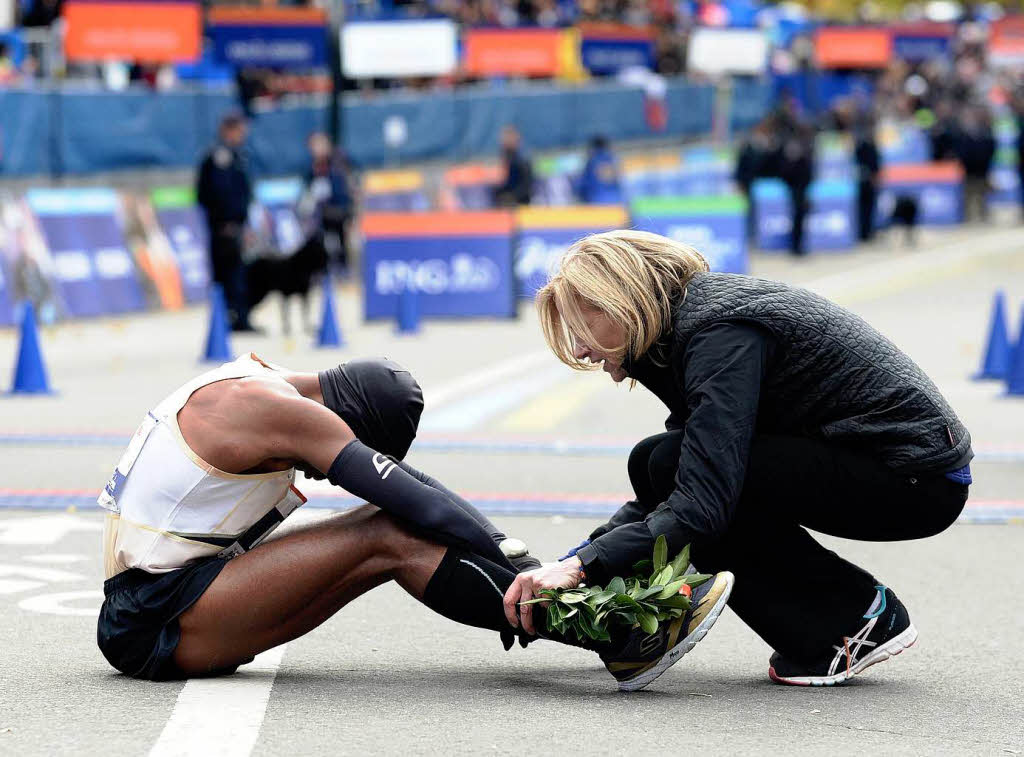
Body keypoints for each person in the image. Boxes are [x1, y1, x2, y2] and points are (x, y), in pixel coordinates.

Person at [96, 352, 733, 691]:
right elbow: (413, 504)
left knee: (393, 526)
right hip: (153, 617)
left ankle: (603, 628)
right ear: (349, 428)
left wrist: (522, 563)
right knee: (387, 533)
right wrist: (526, 567)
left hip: (185, 595)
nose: (318, 476)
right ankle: (614, 637)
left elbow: (419, 490)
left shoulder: (259, 376)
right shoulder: (289, 415)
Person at [512, 230, 973, 686]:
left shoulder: (719, 333)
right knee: (657, 461)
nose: (579, 350)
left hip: (916, 478)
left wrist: (581, 567)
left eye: (583, 327)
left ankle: (852, 620)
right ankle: (846, 616)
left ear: (621, 301)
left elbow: (699, 501)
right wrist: (572, 565)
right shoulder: (686, 325)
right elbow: (678, 483)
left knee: (680, 476)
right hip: (889, 464)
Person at [196, 112, 255, 332]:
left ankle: (239, 317)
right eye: (240, 131)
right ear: (229, 131)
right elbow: (216, 194)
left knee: (238, 273)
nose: (243, 136)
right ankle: (226, 319)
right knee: (226, 274)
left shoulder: (238, 156)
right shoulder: (219, 158)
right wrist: (226, 222)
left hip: (236, 225)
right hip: (224, 227)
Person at [302, 132, 356, 274]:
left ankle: (343, 272)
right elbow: (310, 193)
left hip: (339, 214)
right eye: (312, 147)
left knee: (341, 248)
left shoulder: (339, 162)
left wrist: (350, 214)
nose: (316, 150)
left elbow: (348, 189)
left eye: (319, 145)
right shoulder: (312, 169)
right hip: (321, 218)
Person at [954, 105, 996, 223]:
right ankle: (967, 217)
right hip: (969, 170)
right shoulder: (964, 134)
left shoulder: (986, 132)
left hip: (982, 169)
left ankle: (983, 216)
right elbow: (961, 151)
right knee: (968, 195)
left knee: (982, 194)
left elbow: (990, 149)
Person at [853, 116, 881, 243]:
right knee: (865, 207)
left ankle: (866, 232)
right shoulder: (865, 144)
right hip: (865, 180)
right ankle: (864, 232)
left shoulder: (865, 144)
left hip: (866, 179)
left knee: (868, 207)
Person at [493, 126, 534, 207]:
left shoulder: (521, 158)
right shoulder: (510, 155)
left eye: (506, 139)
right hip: (514, 195)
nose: (503, 143)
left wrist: (512, 196)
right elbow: (510, 181)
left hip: (523, 200)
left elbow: (527, 185)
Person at [576, 135, 622, 204]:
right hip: (618, 201)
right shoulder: (614, 160)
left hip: (597, 203)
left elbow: (583, 186)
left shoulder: (592, 161)